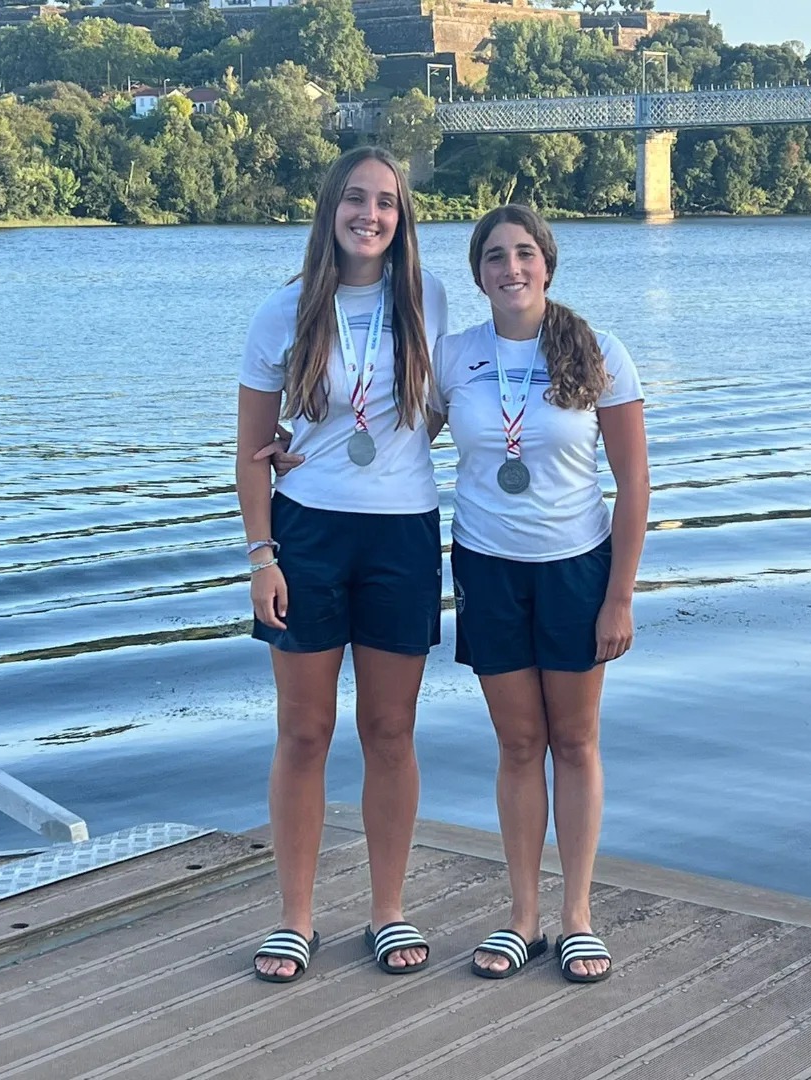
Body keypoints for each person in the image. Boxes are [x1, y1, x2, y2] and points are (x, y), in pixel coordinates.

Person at [235, 145, 448, 984]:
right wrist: (262, 556)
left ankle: (387, 912)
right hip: (308, 535)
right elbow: (253, 452)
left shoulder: (427, 296)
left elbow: (433, 412)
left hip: (401, 533)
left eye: (387, 203)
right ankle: (294, 919)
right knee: (305, 731)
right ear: (330, 210)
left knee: (390, 731)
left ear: (402, 220)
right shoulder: (279, 313)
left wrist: (383, 461)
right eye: (356, 200)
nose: (371, 215)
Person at [432, 205, 649, 983]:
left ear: (547, 264)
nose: (511, 268)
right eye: (495, 256)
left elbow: (633, 486)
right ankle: (522, 916)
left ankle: (577, 915)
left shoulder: (598, 351)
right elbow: (391, 438)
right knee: (519, 744)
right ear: (478, 272)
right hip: (488, 569)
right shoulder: (454, 357)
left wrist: (619, 596)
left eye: (525, 253)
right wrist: (298, 448)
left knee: (575, 743)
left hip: (576, 568)